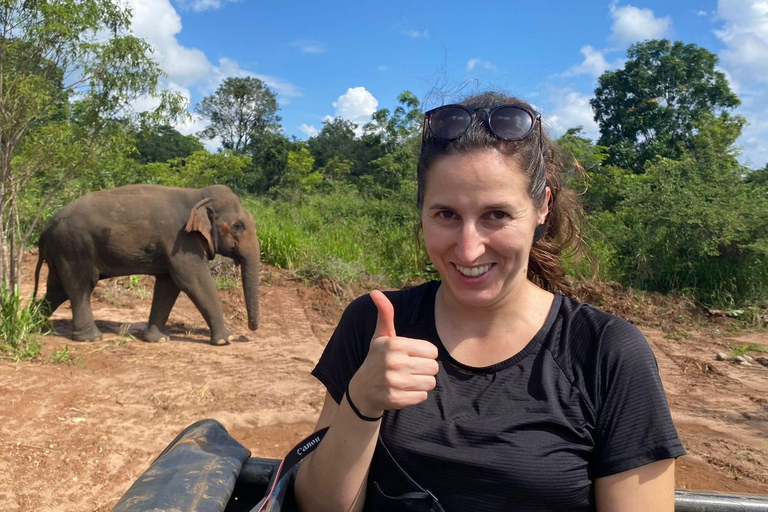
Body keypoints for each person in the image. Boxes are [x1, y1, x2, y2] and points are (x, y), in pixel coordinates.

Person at [294, 92, 686, 512]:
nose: (468, 249)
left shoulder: (605, 351)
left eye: (496, 215)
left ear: (542, 207)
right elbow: (320, 506)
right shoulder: (373, 324)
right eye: (446, 214)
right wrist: (362, 403)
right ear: (421, 210)